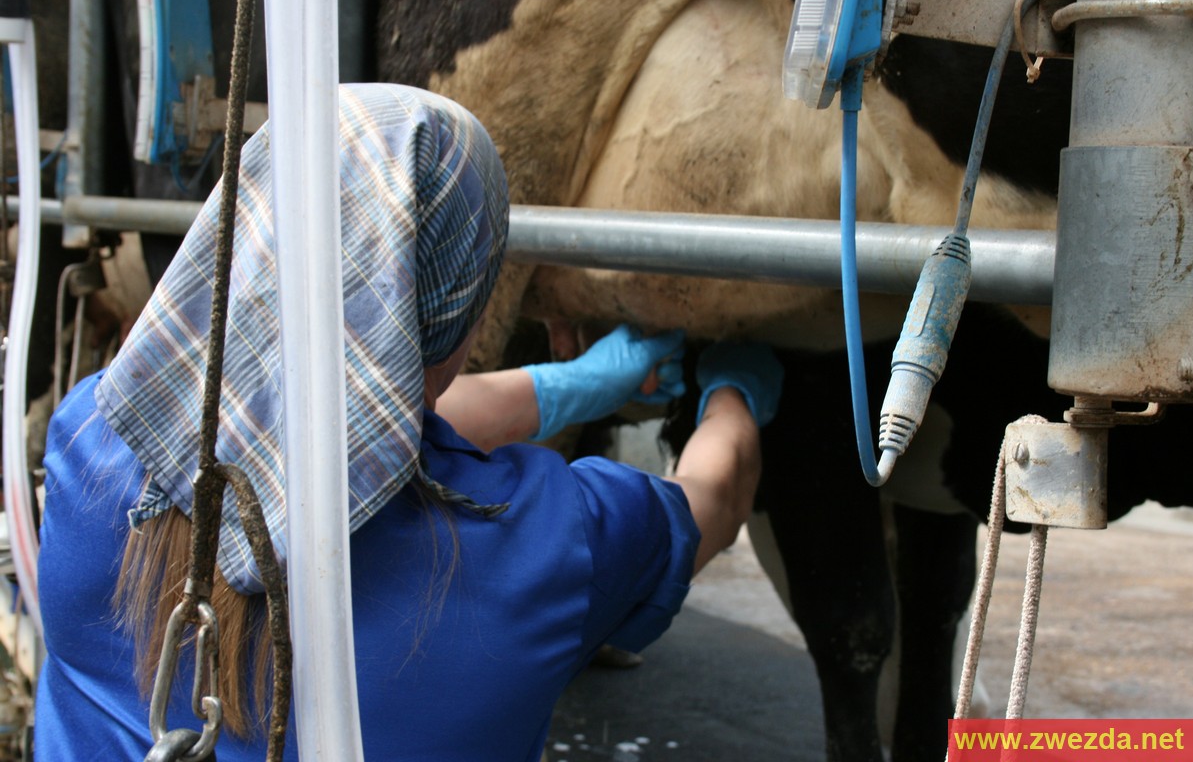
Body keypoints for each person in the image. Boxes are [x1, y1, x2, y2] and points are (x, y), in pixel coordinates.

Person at [33, 83, 783, 761]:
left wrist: (576, 385)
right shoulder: (541, 544)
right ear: (457, 306)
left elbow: (334, 420)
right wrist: (734, 390)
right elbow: (713, 493)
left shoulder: (92, 441)